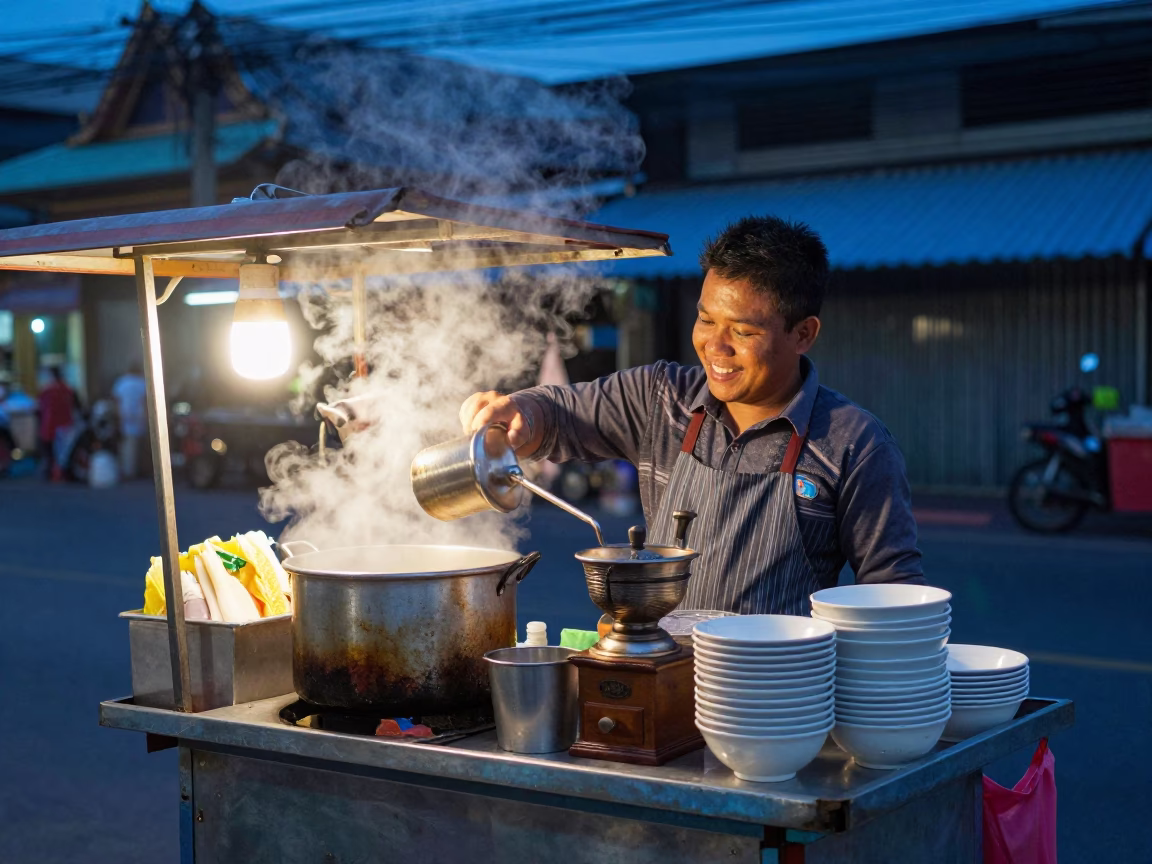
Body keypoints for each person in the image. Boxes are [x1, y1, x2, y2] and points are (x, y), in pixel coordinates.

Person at [459, 216, 924, 615]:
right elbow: (558, 414)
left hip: (776, 705)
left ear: (803, 334)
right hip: (659, 681)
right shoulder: (661, 397)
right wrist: (520, 412)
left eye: (742, 330)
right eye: (706, 320)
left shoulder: (853, 443)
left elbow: (895, 596)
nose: (715, 347)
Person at [37, 366, 76, 481]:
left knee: (52, 452)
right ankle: (62, 473)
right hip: (65, 425)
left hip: (50, 426)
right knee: (64, 452)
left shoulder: (47, 391)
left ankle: (54, 473)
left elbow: (39, 409)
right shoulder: (67, 389)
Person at [112, 362, 148, 480]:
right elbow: (145, 401)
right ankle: (136, 470)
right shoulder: (141, 382)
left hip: (124, 415)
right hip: (139, 415)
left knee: (127, 445)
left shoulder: (122, 382)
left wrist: (117, 415)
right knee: (138, 446)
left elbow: (116, 400)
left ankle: (128, 471)